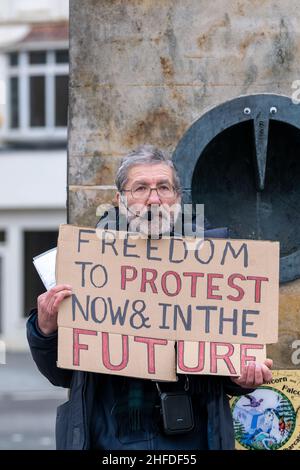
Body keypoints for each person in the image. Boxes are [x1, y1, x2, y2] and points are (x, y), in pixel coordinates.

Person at [27, 145, 273, 450]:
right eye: (140, 188)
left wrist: (240, 378)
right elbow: (60, 374)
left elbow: (222, 366)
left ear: (178, 198)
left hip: (193, 439)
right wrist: (45, 329)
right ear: (120, 200)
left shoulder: (216, 264)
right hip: (110, 439)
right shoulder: (83, 264)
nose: (153, 199)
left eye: (163, 188)